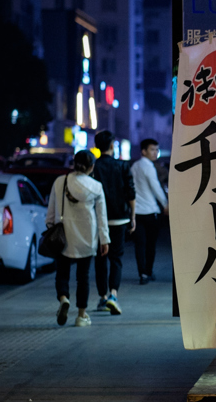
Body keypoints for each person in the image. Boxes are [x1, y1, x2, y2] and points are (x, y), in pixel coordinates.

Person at [45, 150, 110, 327]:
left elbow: (51, 211)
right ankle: (81, 316)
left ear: (74, 163)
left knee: (62, 274)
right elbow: (101, 216)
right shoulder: (96, 187)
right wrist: (105, 240)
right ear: (92, 167)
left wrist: (51, 226)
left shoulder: (60, 181)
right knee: (83, 277)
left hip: (64, 237)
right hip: (87, 237)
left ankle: (64, 299)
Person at [91, 130, 135, 315]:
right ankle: (113, 294)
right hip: (120, 218)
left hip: (98, 219)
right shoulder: (123, 166)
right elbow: (130, 192)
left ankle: (102, 298)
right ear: (111, 145)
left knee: (100, 258)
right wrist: (133, 216)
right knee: (116, 257)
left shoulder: (93, 166)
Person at [131, 138, 169, 284]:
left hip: (137, 212)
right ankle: (148, 270)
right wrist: (165, 204)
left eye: (156, 150)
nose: (155, 153)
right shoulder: (148, 167)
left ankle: (142, 273)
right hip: (151, 211)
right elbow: (156, 188)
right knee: (150, 244)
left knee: (139, 244)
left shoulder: (134, 166)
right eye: (152, 149)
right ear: (144, 151)